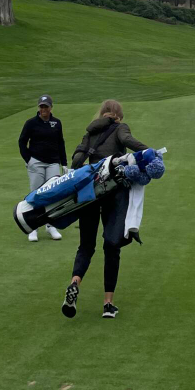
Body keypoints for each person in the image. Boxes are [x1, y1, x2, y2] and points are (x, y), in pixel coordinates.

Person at [62, 100, 149, 319]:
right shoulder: (120, 128)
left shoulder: (90, 132)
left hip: (89, 193)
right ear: (119, 114)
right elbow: (128, 141)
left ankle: (75, 282)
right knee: (111, 246)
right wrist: (150, 152)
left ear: (101, 113)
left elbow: (77, 160)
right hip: (113, 193)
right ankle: (108, 304)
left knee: (86, 246)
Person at [17, 94, 68, 242]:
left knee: (53, 194)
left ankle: (51, 225)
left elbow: (60, 143)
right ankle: (34, 227)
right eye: (41, 106)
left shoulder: (56, 123)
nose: (43, 109)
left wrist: (64, 163)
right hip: (36, 162)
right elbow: (22, 142)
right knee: (36, 194)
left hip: (53, 163)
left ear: (51, 107)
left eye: (46, 106)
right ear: (38, 108)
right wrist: (29, 160)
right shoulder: (31, 123)